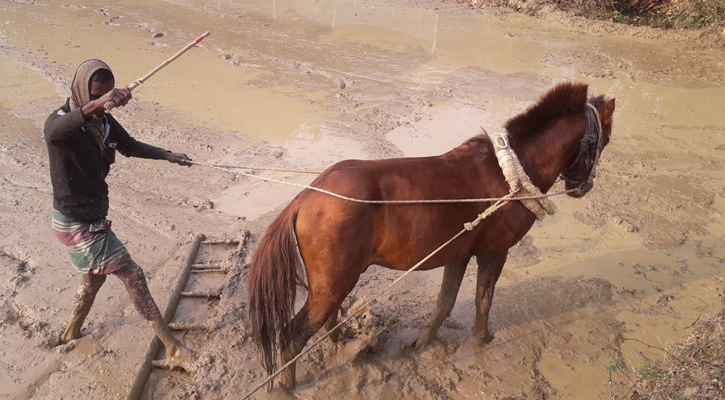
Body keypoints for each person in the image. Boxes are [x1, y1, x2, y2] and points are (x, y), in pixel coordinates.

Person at [45, 59, 198, 372]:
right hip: (76, 222)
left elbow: (129, 146)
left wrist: (168, 155)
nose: (105, 107)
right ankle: (172, 348)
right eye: (97, 99)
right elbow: (55, 132)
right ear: (81, 92)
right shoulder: (60, 124)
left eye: (108, 99)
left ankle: (71, 330)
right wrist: (102, 103)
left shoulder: (103, 122)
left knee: (93, 282)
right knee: (133, 274)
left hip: (91, 217)